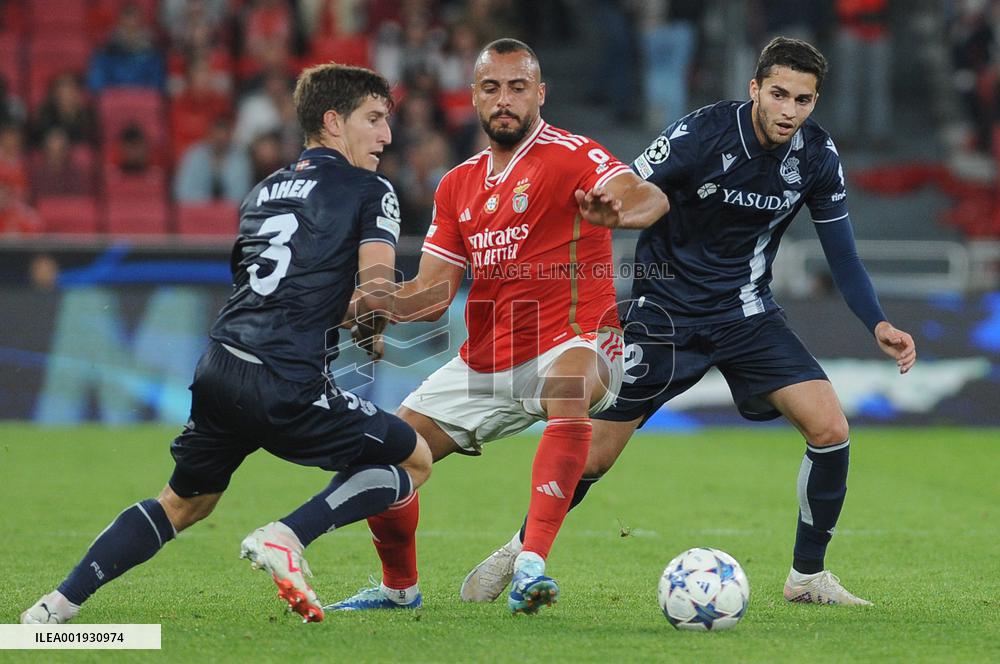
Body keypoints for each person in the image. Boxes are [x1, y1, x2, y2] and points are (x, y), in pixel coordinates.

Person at [461, 36, 917, 607]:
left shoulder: (817, 157)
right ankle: (519, 550)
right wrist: (610, 214)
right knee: (595, 455)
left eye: (803, 100)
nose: (788, 111)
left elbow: (842, 254)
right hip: (663, 313)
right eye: (778, 94)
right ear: (755, 89)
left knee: (831, 430)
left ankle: (807, 578)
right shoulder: (702, 133)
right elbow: (632, 185)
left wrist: (876, 322)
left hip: (746, 313)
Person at [20, 63, 433, 625]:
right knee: (413, 457)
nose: (387, 136)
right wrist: (375, 317)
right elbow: (380, 288)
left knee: (185, 502)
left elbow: (274, 286)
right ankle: (288, 536)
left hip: (220, 365)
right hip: (285, 377)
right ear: (334, 122)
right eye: (375, 119)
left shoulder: (263, 190)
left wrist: (352, 314)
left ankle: (54, 608)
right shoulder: (370, 189)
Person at [325, 38, 669, 616]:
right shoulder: (457, 183)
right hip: (484, 364)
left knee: (570, 384)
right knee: (381, 459)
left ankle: (530, 565)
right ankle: (398, 590)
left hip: (578, 342)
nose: (504, 99)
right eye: (491, 88)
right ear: (474, 98)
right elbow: (432, 297)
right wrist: (354, 305)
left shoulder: (572, 154)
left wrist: (623, 211)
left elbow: (645, 194)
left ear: (540, 94)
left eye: (516, 87)